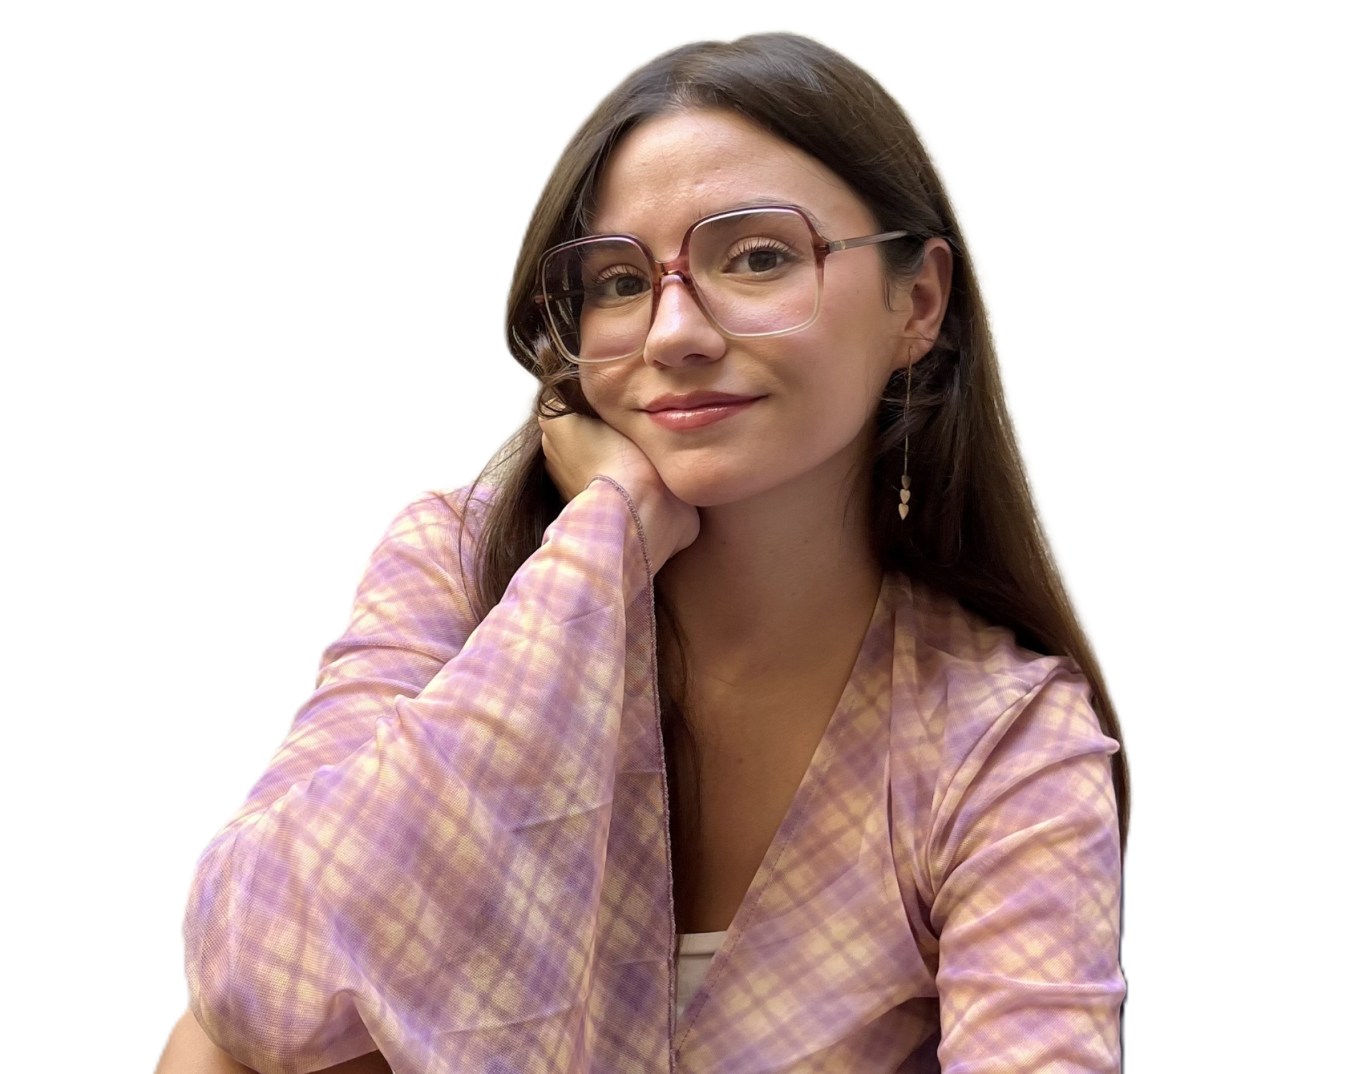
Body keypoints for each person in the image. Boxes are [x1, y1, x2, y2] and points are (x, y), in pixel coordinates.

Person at [171, 29, 1133, 1073]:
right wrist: (604, 539)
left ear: (921, 303)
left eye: (758, 257)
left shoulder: (1003, 739)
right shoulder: (457, 562)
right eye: (620, 281)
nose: (674, 333)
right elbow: (253, 980)